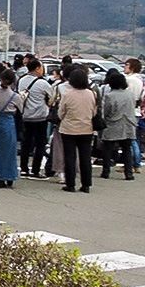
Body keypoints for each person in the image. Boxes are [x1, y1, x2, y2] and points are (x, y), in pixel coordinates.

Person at [57, 65, 98, 194]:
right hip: (86, 128)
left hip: (69, 129)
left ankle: (70, 184)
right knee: (85, 157)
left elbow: (61, 113)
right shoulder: (91, 94)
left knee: (69, 157)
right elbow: (94, 112)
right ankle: (86, 184)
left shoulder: (67, 94)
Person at [17, 59, 54, 179]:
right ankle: (35, 170)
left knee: (26, 143)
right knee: (40, 144)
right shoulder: (42, 83)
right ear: (37, 68)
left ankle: (23, 168)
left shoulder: (21, 80)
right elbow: (52, 98)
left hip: (25, 116)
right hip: (40, 117)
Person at [0, 68, 24, 188]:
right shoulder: (15, 96)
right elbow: (21, 110)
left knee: (0, 151)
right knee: (10, 151)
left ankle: (0, 177)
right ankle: (9, 176)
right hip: (8, 123)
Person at [98, 68, 137, 180]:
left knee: (107, 149)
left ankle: (106, 171)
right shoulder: (130, 94)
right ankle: (129, 173)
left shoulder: (110, 95)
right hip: (128, 123)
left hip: (113, 124)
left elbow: (107, 111)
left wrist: (105, 119)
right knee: (127, 149)